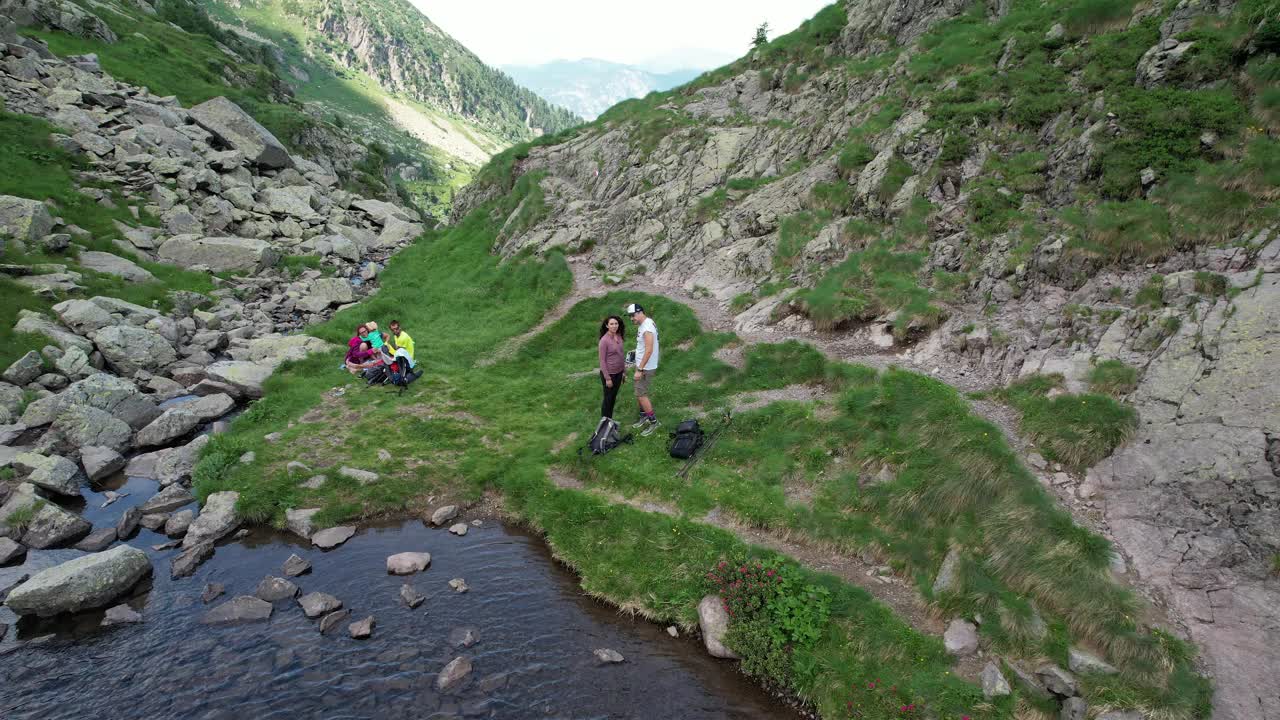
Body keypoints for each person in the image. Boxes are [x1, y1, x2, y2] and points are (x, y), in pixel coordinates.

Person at [625, 303, 660, 436]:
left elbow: (649, 349)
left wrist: (639, 369)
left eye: (632, 315)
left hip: (645, 367)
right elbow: (645, 346)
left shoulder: (646, 328)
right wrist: (636, 353)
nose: (631, 319)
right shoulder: (646, 323)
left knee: (641, 394)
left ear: (640, 312)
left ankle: (654, 422)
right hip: (644, 365)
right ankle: (644, 415)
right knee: (639, 392)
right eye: (629, 316)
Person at [597, 315, 626, 419]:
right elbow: (602, 361)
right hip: (610, 375)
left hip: (619, 373)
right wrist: (607, 378)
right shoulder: (604, 341)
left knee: (613, 398)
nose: (614, 326)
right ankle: (604, 422)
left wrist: (624, 372)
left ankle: (610, 420)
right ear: (607, 325)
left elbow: (621, 355)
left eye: (616, 324)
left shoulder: (618, 336)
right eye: (611, 324)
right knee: (608, 399)